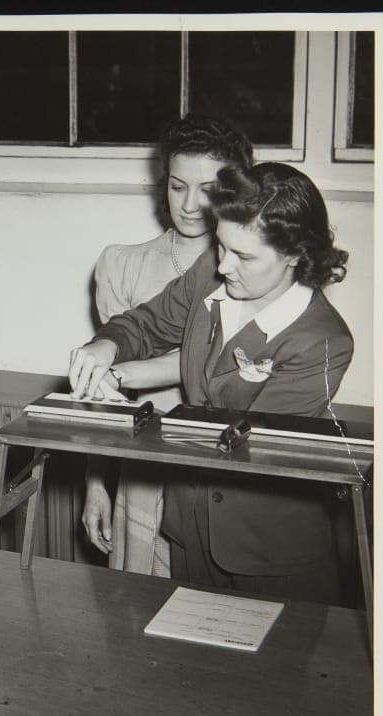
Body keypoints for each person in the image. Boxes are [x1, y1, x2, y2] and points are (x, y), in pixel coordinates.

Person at [69, 162, 353, 606]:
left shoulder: (323, 341)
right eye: (221, 246)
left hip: (268, 551)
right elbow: (144, 324)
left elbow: (243, 445)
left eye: (244, 256)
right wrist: (105, 347)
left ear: (295, 255)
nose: (224, 265)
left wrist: (131, 416)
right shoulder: (210, 274)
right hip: (190, 530)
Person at [83, 115, 253, 577]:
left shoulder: (252, 273)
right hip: (143, 473)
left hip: (220, 471)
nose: (192, 204)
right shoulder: (125, 266)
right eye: (179, 187)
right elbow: (106, 398)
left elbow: (222, 366)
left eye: (210, 189)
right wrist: (97, 485)